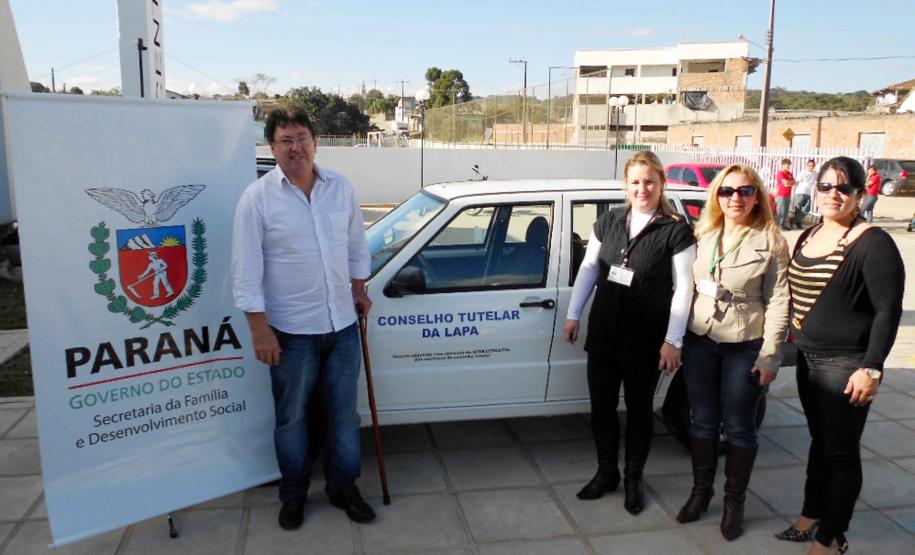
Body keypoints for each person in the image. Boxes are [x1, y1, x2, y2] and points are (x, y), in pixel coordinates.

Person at [232, 107, 376, 530]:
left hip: (342, 327)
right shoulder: (256, 199)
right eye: (285, 140)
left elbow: (355, 244)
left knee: (345, 416)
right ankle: (293, 495)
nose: (296, 147)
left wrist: (358, 289)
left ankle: (343, 487)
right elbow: (246, 270)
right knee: (292, 418)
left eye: (302, 138)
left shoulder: (341, 189)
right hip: (291, 332)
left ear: (315, 141)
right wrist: (260, 330)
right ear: (272, 148)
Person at [776, 156, 904, 555]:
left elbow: (888, 310)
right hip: (808, 359)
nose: (834, 194)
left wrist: (872, 367)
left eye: (844, 188)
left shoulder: (874, 242)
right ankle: (811, 514)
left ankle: (833, 536)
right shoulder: (809, 235)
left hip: (846, 363)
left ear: (859, 194)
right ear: (816, 190)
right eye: (827, 186)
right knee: (820, 441)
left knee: (841, 451)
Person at [564, 151, 696, 515]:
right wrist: (573, 314)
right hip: (605, 333)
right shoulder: (608, 221)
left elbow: (684, 287)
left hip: (647, 339)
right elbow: (589, 269)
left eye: (650, 181)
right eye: (636, 181)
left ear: (661, 184)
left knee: (639, 413)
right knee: (602, 409)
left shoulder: (676, 230)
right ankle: (606, 472)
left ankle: (633, 477)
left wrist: (674, 340)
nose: (643, 188)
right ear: (626, 184)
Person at [675, 164, 789, 540]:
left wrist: (770, 356)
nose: (735, 198)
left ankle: (733, 502)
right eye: (726, 191)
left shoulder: (771, 240)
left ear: (757, 196)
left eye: (744, 191)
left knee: (740, 427)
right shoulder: (704, 234)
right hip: (701, 339)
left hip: (745, 344)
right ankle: (700, 491)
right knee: (703, 421)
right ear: (716, 196)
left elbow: (779, 302)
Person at [794, 159, 816, 229]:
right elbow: (797, 181)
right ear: (807, 166)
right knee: (798, 208)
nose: (811, 167)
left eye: (812, 166)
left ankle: (796, 220)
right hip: (800, 192)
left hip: (808, 193)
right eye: (809, 165)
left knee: (807, 208)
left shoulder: (815, 174)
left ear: (814, 166)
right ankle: (798, 223)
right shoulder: (803, 173)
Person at [775, 159, 796, 230]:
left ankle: (783, 224)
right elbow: (785, 182)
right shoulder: (780, 173)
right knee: (781, 210)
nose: (788, 166)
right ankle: (779, 225)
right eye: (787, 165)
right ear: (783, 165)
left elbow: (795, 182)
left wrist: (789, 182)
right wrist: (790, 183)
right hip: (782, 194)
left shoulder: (789, 174)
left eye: (789, 165)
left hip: (788, 194)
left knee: (786, 211)